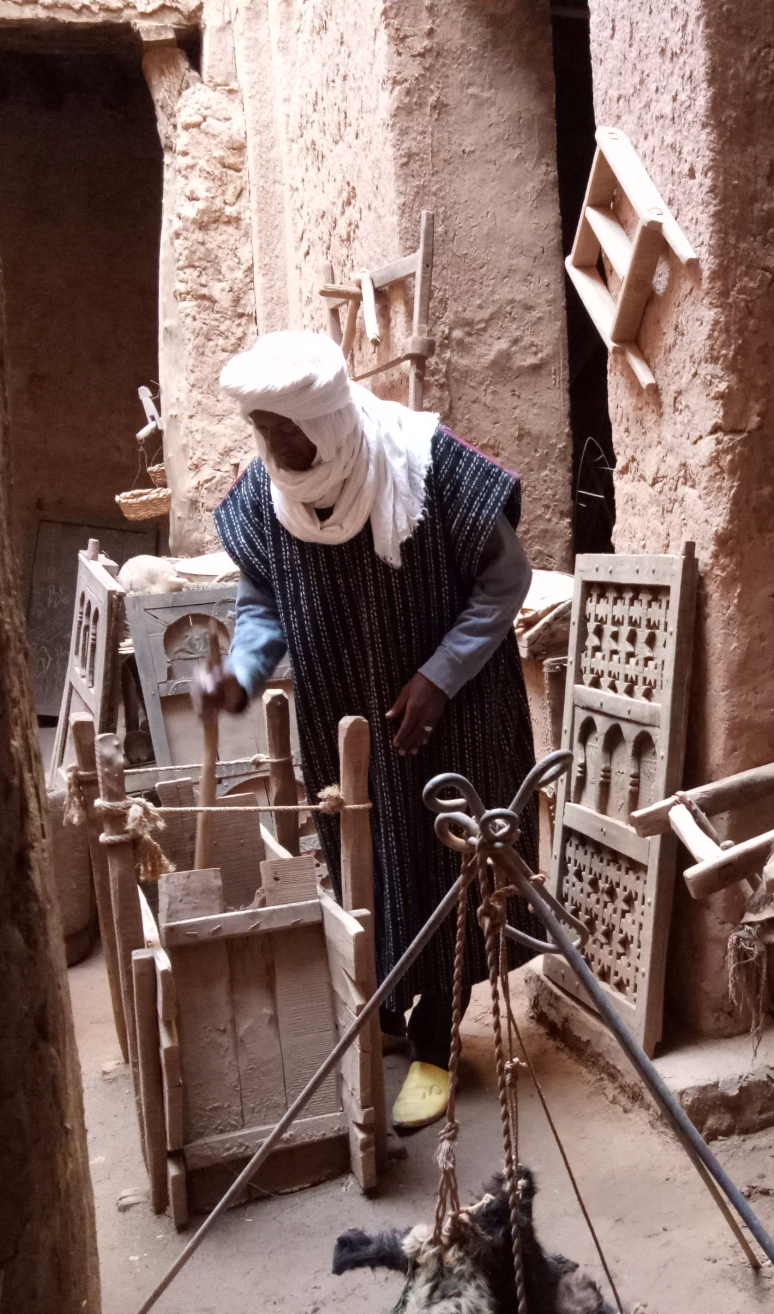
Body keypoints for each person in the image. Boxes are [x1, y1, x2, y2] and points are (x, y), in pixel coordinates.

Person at [191, 331, 537, 1133]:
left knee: (446, 869)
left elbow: (505, 580)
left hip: (455, 717)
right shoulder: (266, 495)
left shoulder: (426, 466)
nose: (275, 448)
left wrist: (440, 676)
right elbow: (263, 603)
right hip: (343, 717)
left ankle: (437, 1043)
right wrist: (243, 671)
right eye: (263, 431)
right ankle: (387, 1002)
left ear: (329, 417)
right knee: (363, 865)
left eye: (288, 430)